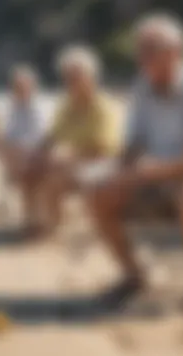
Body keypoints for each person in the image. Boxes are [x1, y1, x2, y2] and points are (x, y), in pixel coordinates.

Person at [88, 14, 183, 313]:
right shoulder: (143, 85)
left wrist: (158, 169)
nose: (142, 58)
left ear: (176, 52)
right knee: (98, 191)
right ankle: (133, 275)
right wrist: (122, 169)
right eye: (140, 51)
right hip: (157, 174)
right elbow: (134, 141)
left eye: (149, 50)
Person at [37, 46, 122, 232]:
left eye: (76, 77)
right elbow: (52, 136)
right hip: (74, 163)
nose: (71, 82)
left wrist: (68, 156)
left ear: (91, 77)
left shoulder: (103, 106)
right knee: (36, 170)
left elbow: (104, 148)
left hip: (104, 164)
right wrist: (41, 153)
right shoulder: (67, 106)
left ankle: (55, 225)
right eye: (67, 78)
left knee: (56, 179)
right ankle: (43, 221)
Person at [0, 65, 47, 238]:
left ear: (32, 87)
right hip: (21, 159)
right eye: (16, 87)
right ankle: (31, 221)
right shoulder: (14, 109)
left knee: (27, 173)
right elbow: (8, 135)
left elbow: (40, 139)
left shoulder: (38, 108)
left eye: (22, 86)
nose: (18, 90)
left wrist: (13, 148)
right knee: (3, 145)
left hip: (36, 157)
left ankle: (34, 223)